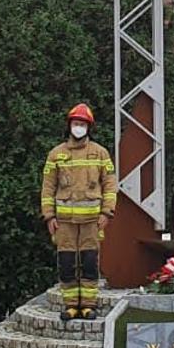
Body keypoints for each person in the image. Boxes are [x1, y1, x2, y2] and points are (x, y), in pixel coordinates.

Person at [41, 103, 115, 320]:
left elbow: (110, 184)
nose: (79, 127)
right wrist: (49, 216)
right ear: (69, 126)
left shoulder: (100, 153)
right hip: (64, 222)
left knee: (90, 262)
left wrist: (107, 213)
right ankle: (72, 305)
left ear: (88, 127)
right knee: (67, 263)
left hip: (92, 221)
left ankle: (89, 305)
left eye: (82, 124)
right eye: (76, 123)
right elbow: (47, 187)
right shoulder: (56, 155)